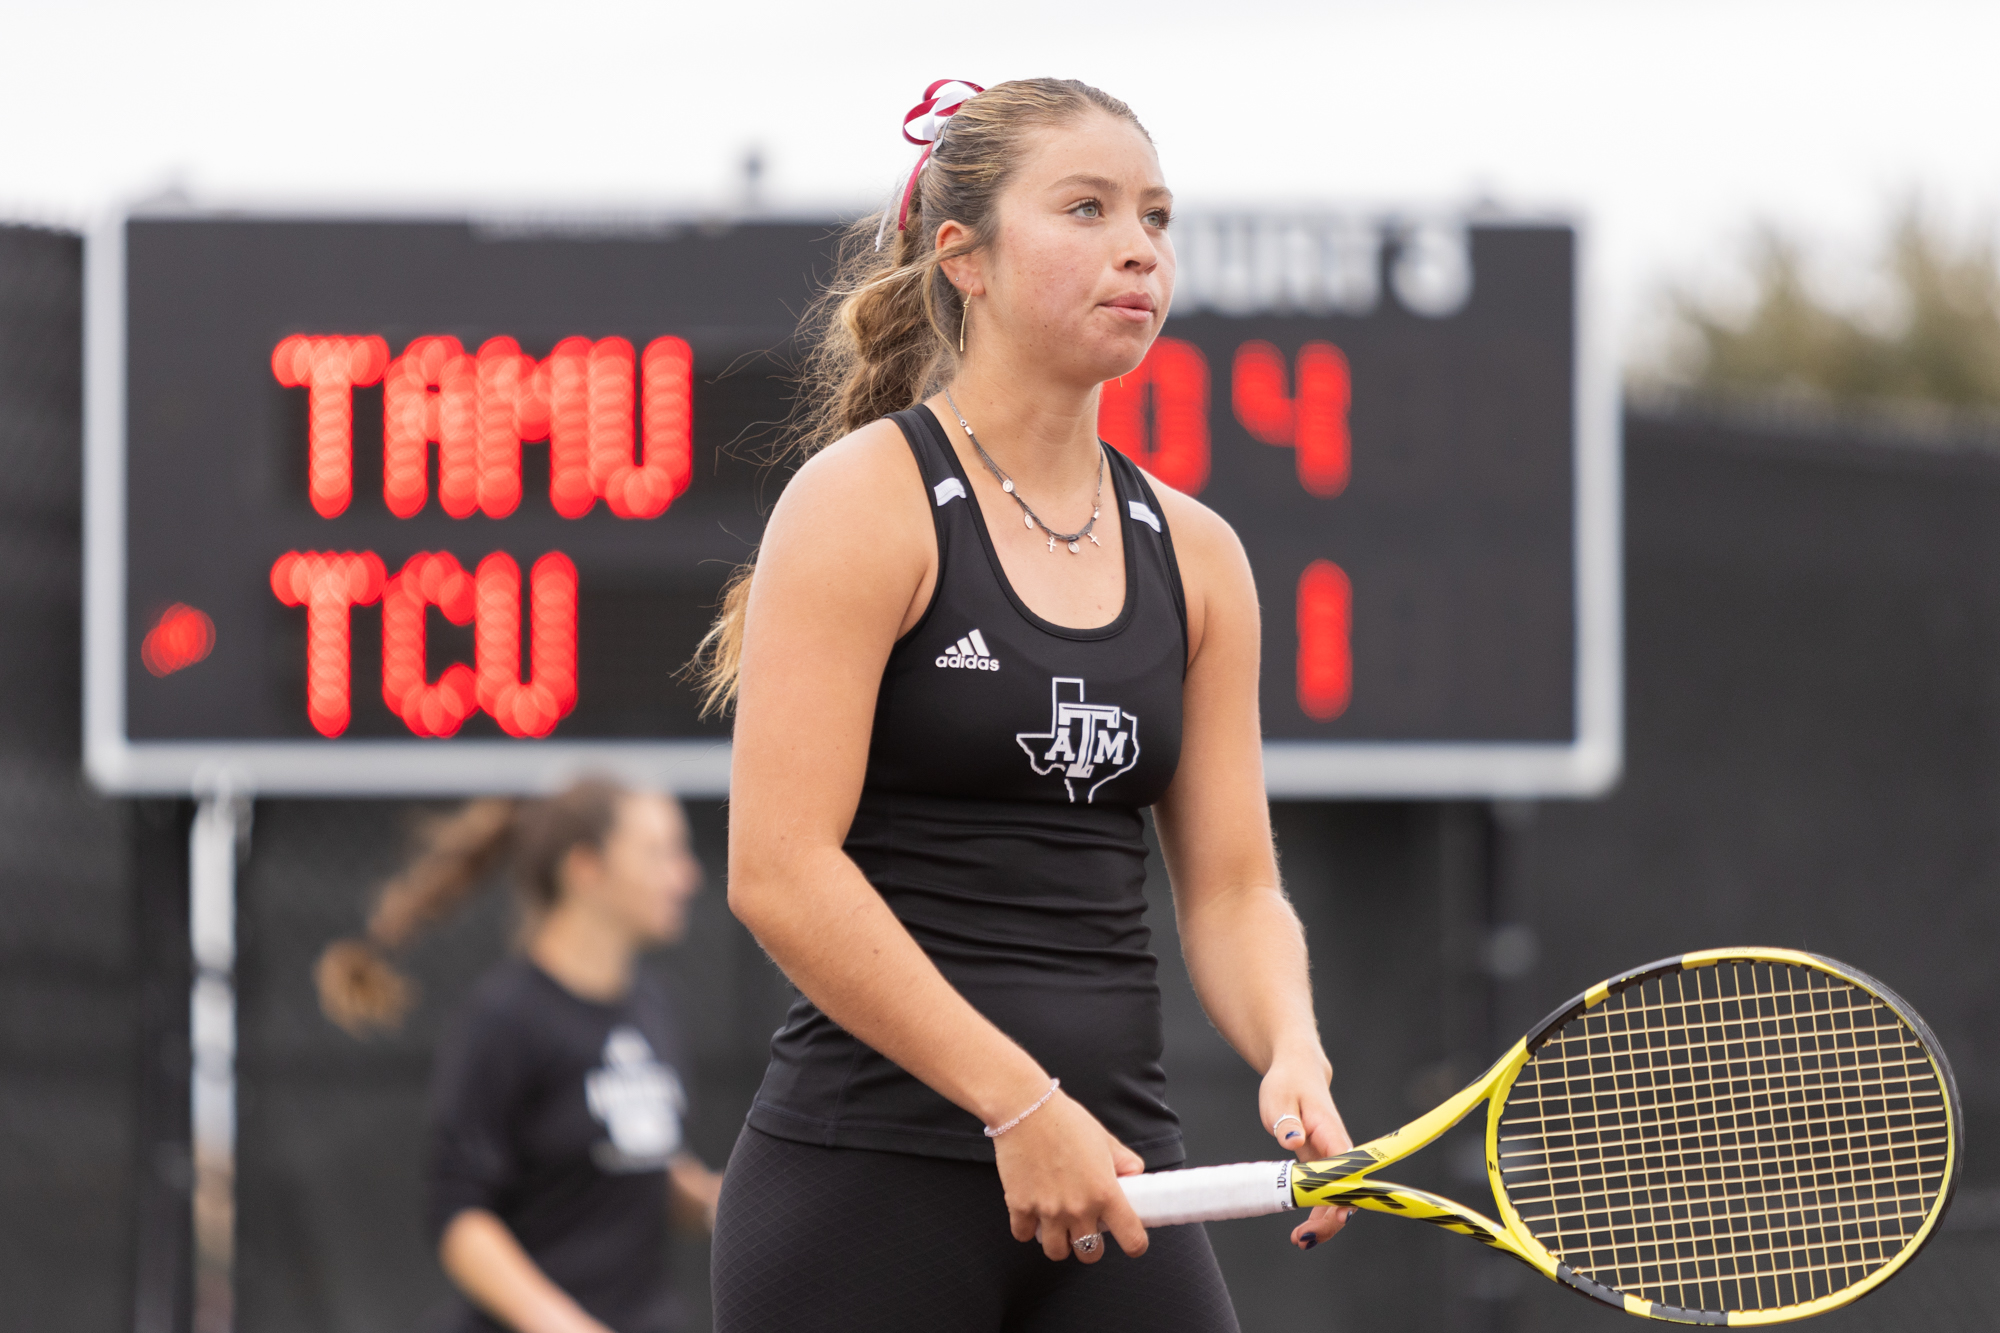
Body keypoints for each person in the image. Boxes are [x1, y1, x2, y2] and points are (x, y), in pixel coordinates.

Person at [697, 78, 1357, 1333]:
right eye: (1086, 208)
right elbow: (777, 870)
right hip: (864, 1185)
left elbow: (1228, 887)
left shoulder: (1199, 553)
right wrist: (1014, 1101)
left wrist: (1292, 1048)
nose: (1137, 248)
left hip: (1115, 1183)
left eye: (1156, 218)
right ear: (966, 260)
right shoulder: (861, 504)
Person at [316, 777, 722, 1333]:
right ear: (586, 869)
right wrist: (562, 1325)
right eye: (659, 854)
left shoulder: (652, 1006)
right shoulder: (505, 1019)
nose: (686, 876)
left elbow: (633, 1153)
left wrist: (718, 1202)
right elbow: (460, 1215)